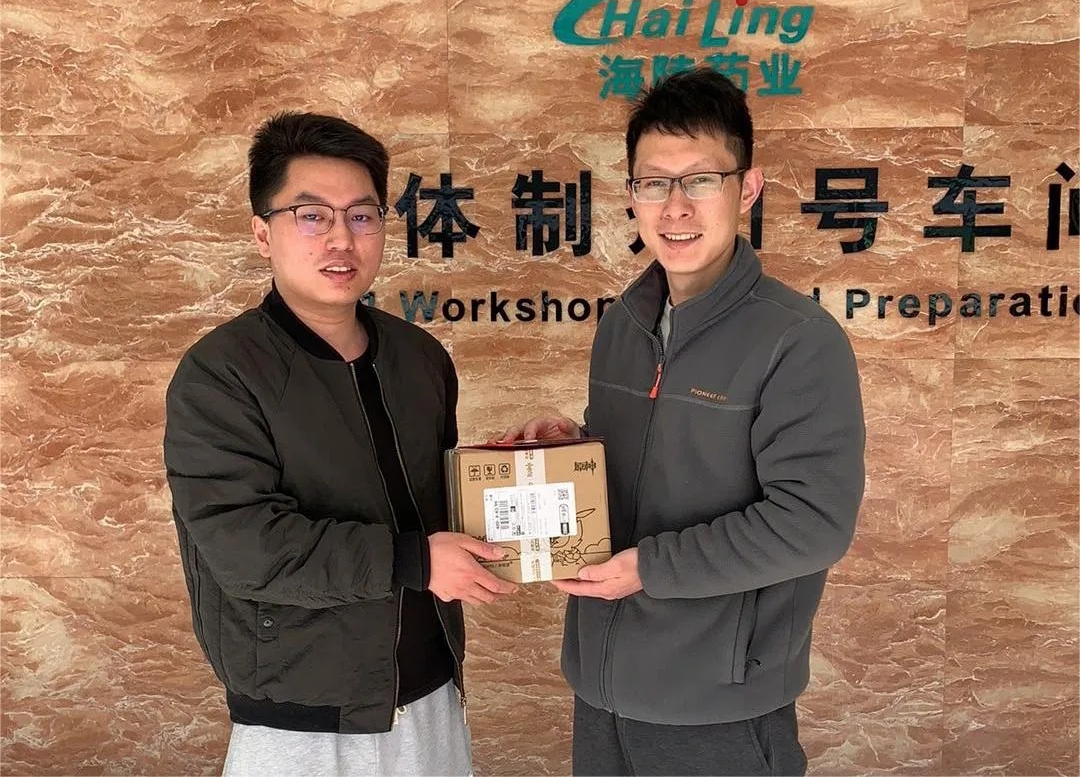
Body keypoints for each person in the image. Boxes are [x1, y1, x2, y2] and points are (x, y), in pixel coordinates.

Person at [502, 68, 866, 776]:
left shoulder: (798, 340)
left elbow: (814, 523)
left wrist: (649, 568)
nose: (675, 208)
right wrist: (572, 448)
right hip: (601, 688)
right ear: (631, 194)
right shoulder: (624, 324)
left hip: (718, 705)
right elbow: (643, 467)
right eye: (653, 183)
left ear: (747, 189)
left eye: (700, 180)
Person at [164, 111, 515, 777]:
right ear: (262, 233)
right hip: (300, 715)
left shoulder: (419, 357)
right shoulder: (222, 373)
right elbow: (246, 548)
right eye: (311, 216)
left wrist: (520, 464)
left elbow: (437, 507)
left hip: (431, 691)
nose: (341, 239)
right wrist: (413, 561)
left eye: (361, 215)